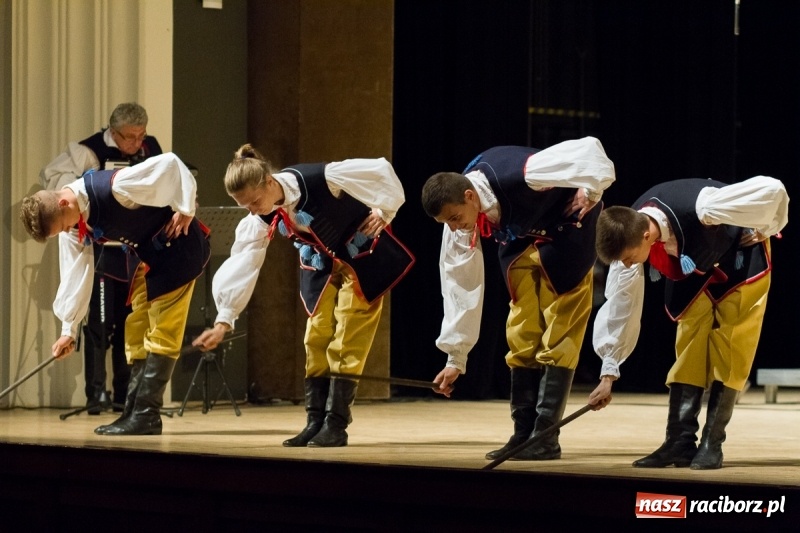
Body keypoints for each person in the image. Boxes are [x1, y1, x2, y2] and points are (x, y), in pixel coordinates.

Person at [192, 144, 414, 448]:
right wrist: (223, 320)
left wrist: (384, 211)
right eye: (245, 206)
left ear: (270, 182)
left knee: (348, 337)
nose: (253, 210)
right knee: (315, 337)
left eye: (255, 201)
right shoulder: (261, 215)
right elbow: (243, 261)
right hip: (320, 265)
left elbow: (380, 170)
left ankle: (336, 423)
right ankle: (314, 421)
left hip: (361, 257)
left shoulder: (323, 177)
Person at [420, 137, 616, 461]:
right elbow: (459, 285)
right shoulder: (458, 218)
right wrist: (456, 357)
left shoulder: (526, 173)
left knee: (560, 332)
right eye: (447, 222)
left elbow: (592, 150)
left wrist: (590, 191)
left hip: (569, 233)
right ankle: (523, 432)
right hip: (522, 239)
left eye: (455, 218)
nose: (454, 226)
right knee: (521, 332)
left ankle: (546, 437)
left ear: (469, 196)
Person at [589, 176, 789, 469]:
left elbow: (774, 190)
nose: (630, 264)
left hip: (740, 263)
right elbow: (621, 306)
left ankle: (712, 443)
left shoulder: (703, 205)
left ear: (646, 236)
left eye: (631, 259)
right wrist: (608, 375)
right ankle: (678, 443)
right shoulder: (628, 230)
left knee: (731, 348)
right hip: (691, 265)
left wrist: (768, 226)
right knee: (688, 348)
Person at [19, 152, 210, 436]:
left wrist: (186, 207)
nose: (68, 231)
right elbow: (75, 273)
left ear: (62, 202)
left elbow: (170, 164)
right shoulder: (71, 221)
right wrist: (68, 331)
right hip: (152, 259)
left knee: (162, 333)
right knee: (136, 330)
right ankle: (132, 411)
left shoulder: (118, 186)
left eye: (63, 225)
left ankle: (147, 414)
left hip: (181, 252)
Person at [39, 102, 163, 414]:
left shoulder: (151, 149)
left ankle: (123, 392)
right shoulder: (88, 151)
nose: (136, 144)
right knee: (97, 324)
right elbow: (51, 179)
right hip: (98, 251)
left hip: (132, 250)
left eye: (140, 136)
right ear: (113, 131)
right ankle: (96, 394)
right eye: (129, 138)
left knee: (127, 322)